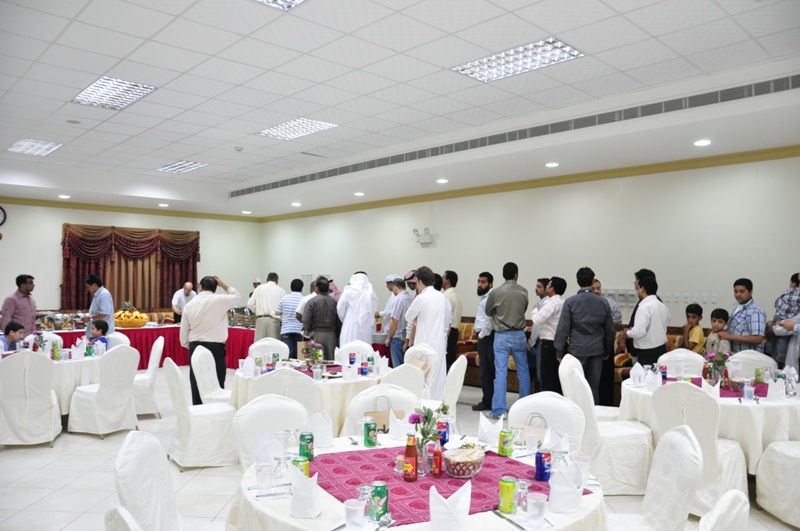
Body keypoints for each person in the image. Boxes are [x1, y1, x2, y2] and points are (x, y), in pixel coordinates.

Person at [554, 267, 615, 404]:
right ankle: (592, 414)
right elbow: (609, 330)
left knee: (575, 388)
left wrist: (559, 352)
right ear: (593, 281)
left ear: (577, 281)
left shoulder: (570, 302)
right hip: (597, 349)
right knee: (593, 389)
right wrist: (606, 350)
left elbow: (563, 329)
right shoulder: (603, 302)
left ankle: (576, 414)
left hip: (577, 349)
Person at [180, 276, 240, 405]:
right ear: (215, 288)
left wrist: (188, 345)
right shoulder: (220, 300)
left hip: (195, 346)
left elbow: (184, 331)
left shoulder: (190, 305)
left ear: (200, 287)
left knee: (196, 380)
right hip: (215, 348)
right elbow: (236, 295)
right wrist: (222, 283)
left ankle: (198, 409)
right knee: (217, 381)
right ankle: (216, 408)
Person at [485, 262, 531, 419]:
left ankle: (499, 411)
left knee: (500, 373)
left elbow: (488, 311)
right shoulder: (524, 291)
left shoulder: (496, 292)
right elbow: (523, 309)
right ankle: (524, 409)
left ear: (503, 275)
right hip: (519, 334)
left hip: (502, 335)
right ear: (516, 275)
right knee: (523, 372)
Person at [405, 266, 451, 401]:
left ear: (419, 281)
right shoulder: (441, 297)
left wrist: (416, 318)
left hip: (424, 342)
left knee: (423, 377)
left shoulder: (421, 298)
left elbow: (408, 317)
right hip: (439, 343)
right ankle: (438, 404)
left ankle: (424, 405)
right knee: (438, 376)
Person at [623, 277, 670, 366]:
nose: (637, 292)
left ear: (643, 289)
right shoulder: (662, 306)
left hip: (647, 353)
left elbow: (638, 332)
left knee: (646, 375)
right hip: (661, 349)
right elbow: (667, 320)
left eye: (637, 289)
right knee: (658, 374)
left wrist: (628, 333)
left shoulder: (643, 308)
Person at [532, 276, 566, 394]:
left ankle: (548, 402)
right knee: (556, 378)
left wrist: (535, 309)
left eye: (549, 284)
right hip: (559, 343)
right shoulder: (562, 302)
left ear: (552, 289)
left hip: (548, 343)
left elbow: (537, 320)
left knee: (547, 378)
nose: (547, 286)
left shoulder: (552, 303)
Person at [719, 278, 767, 353]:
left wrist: (730, 337)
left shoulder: (755, 311)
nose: (738, 294)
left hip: (749, 356)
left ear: (750, 292)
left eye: (742, 291)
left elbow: (758, 339)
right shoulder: (736, 306)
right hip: (734, 353)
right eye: (736, 291)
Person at [471, 272, 495, 411]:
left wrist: (481, 334)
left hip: (487, 337)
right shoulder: (484, 297)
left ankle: (488, 402)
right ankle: (488, 399)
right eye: (479, 281)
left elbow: (489, 320)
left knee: (487, 371)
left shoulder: (489, 298)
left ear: (490, 284)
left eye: (483, 282)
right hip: (484, 336)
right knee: (486, 370)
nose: (480, 284)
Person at [302, 277, 340, 360]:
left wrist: (307, 330)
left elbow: (305, 318)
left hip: (317, 334)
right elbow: (339, 320)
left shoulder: (312, 301)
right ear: (328, 289)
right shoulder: (335, 302)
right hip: (331, 335)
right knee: (331, 360)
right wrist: (337, 335)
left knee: (317, 359)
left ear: (317, 288)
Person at [766, 273, 800, 365]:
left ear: (793, 283)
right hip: (784, 325)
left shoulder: (787, 293)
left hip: (781, 322)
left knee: (776, 344)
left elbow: (777, 303)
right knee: (781, 344)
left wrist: (772, 329)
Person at [337, 272, 378, 346]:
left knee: (348, 348)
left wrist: (345, 319)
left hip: (350, 324)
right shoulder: (370, 291)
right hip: (366, 326)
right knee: (365, 348)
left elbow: (340, 307)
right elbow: (374, 309)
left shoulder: (348, 290)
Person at [247, 272, 285, 341]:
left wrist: (257, 310)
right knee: (274, 345)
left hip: (260, 320)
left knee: (259, 345)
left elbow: (250, 304)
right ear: (277, 281)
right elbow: (284, 307)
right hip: (274, 321)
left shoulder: (259, 288)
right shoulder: (281, 290)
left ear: (267, 280)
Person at [528, 277, 550, 392]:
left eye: (539, 287)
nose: (536, 289)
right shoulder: (541, 303)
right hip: (539, 341)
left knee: (540, 373)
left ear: (546, 288)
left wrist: (532, 340)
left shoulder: (545, 304)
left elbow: (538, 324)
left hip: (541, 341)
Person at [384, 278, 412, 368]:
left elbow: (394, 321)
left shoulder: (398, 299)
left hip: (398, 337)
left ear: (395, 288)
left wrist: (388, 338)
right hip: (408, 338)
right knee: (407, 367)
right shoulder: (411, 299)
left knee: (398, 368)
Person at [275, 279, 304, 359]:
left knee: (288, 353)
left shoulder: (284, 298)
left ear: (290, 287)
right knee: (299, 355)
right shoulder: (304, 299)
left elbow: (277, 312)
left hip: (286, 329)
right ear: (302, 288)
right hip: (299, 330)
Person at [442, 270, 462, 372]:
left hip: (448, 331)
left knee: (446, 360)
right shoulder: (456, 295)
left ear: (448, 281)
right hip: (454, 331)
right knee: (450, 358)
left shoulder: (446, 296)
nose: (441, 280)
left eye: (443, 278)